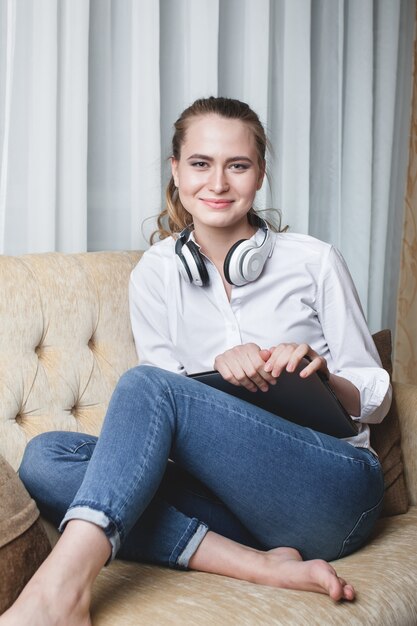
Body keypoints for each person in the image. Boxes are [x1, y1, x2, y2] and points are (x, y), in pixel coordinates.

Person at [1, 96, 391, 626]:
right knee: (46, 457)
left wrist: (321, 377)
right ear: (176, 171)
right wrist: (210, 384)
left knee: (148, 385)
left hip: (333, 491)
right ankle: (257, 564)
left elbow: (376, 395)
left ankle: (60, 593)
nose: (218, 184)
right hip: (231, 506)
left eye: (238, 165)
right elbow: (166, 428)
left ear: (259, 176)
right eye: (201, 164)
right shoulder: (157, 274)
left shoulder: (313, 260)